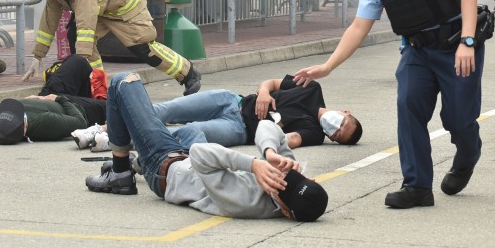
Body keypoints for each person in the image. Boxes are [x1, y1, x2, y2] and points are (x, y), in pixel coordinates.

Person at [293, 0, 482, 210]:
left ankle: (467, 154)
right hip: (417, 51)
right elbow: (358, 26)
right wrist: (328, 66)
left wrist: (468, 41)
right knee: (409, 107)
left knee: (458, 119)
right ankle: (417, 185)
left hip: (455, 45)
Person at [83, 72, 328, 222]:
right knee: (191, 131)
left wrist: (254, 165)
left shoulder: (246, 201)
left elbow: (201, 155)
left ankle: (120, 172)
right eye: (293, 178)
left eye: (280, 190)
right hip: (186, 158)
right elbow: (267, 127)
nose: (281, 179)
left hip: (164, 167)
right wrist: (270, 154)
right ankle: (134, 161)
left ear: (285, 212)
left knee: (124, 82)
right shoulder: (285, 173)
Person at [14, 0, 201, 95]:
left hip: (126, 3)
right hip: (103, 9)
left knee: (143, 48)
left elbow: (86, 21)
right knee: (74, 36)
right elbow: (48, 23)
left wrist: (81, 59)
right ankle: (98, 87)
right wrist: (38, 57)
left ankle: (188, 73)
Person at [71, 77, 363, 153]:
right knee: (166, 110)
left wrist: (277, 134)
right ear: (345, 111)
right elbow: (272, 85)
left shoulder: (314, 134)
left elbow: (289, 140)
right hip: (232, 100)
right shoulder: (312, 88)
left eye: (338, 134)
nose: (335, 127)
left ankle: (111, 141)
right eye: (343, 122)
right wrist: (263, 94)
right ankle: (101, 128)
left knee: (186, 133)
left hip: (239, 130)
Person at [0, 54, 108, 145]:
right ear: (25, 126)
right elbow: (80, 122)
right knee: (111, 106)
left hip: (47, 95)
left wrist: (39, 98)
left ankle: (87, 89)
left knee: (78, 61)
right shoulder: (44, 122)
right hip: (72, 106)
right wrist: (59, 99)